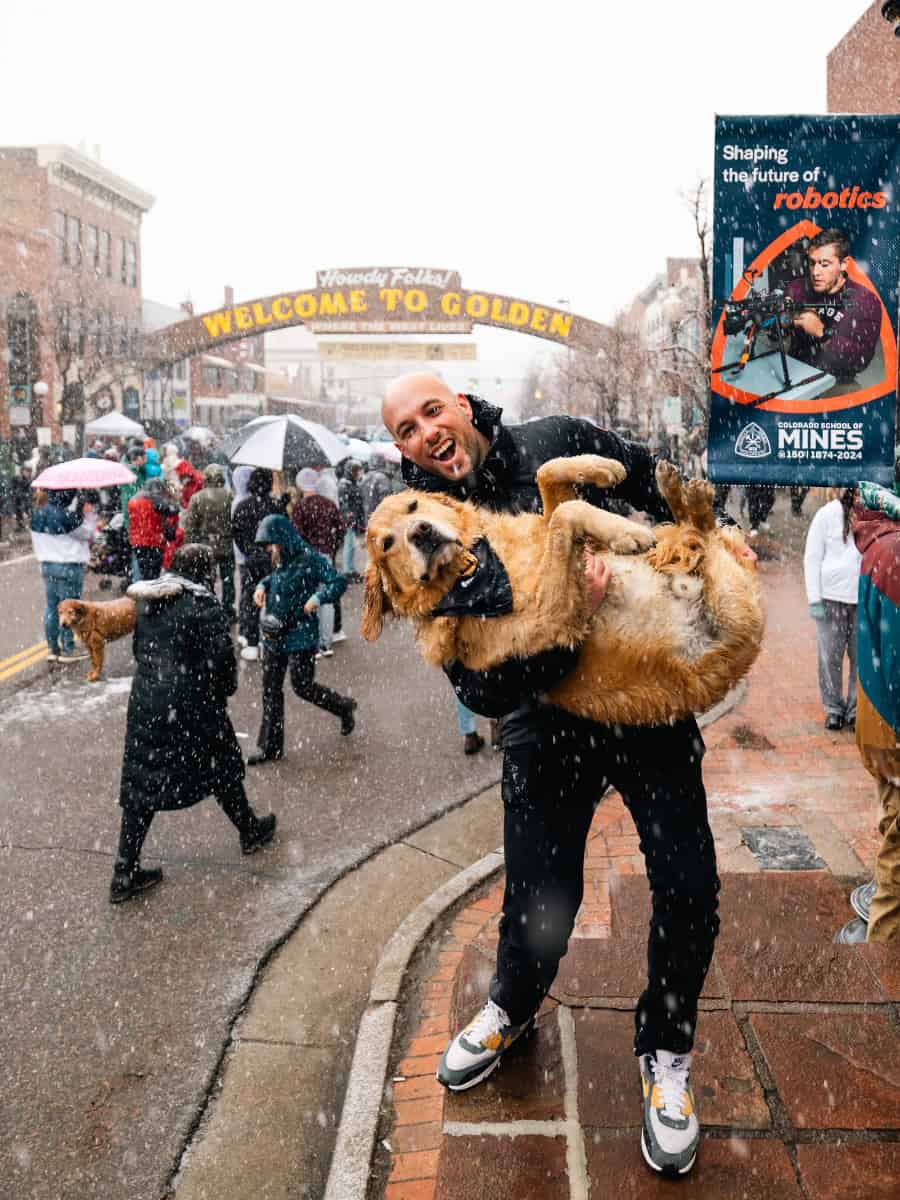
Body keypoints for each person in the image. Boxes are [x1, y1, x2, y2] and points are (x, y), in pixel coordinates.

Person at [381, 372, 717, 1178]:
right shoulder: (424, 532)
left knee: (689, 881)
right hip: (545, 718)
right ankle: (512, 1004)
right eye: (404, 430)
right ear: (402, 451)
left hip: (643, 689)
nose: (425, 433)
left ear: (460, 406)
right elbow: (478, 687)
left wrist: (695, 548)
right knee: (539, 897)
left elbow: (644, 473)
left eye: (432, 411)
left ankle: (666, 1048)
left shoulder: (556, 437)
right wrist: (564, 621)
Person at [112, 543, 276, 904]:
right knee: (221, 767)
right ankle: (249, 830)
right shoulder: (204, 605)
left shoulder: (149, 602)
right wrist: (221, 692)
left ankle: (124, 871)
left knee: (143, 782)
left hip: (147, 702)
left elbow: (140, 651)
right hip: (193, 702)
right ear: (207, 574)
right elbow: (222, 662)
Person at [834, 480, 900, 944]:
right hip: (892, 722)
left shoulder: (880, 544)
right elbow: (896, 658)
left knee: (893, 823)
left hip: (878, 721)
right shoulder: (895, 551)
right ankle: (883, 953)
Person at [246, 514, 356, 766]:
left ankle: (343, 707)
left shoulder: (310, 558)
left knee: (302, 686)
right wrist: (261, 587)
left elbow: (338, 582)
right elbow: (273, 578)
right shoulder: (279, 557)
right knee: (271, 691)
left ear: (283, 539)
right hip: (275, 634)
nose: (269, 550)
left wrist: (318, 599)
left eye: (271, 544)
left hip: (301, 635)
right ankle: (270, 747)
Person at [786, 228, 881, 383]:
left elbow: (861, 361)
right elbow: (775, 330)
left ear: (844, 264)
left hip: (837, 379)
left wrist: (822, 334)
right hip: (794, 371)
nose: (815, 272)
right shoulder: (796, 288)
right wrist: (783, 320)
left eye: (824, 264)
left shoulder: (865, 301)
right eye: (811, 263)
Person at [803, 488, 861, 731]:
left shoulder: (871, 516)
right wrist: (814, 598)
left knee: (862, 659)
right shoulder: (826, 515)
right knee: (829, 658)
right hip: (830, 598)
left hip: (861, 598)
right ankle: (834, 708)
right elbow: (812, 557)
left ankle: (857, 709)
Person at [31, 488, 95, 662]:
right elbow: (89, 534)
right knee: (70, 610)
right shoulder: (66, 517)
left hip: (47, 566)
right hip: (68, 566)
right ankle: (69, 648)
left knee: (52, 608)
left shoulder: (37, 514)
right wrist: (88, 515)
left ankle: (53, 648)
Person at [291, 468, 346, 657]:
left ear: (300, 484)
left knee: (309, 597)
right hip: (326, 555)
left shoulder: (300, 507)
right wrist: (332, 548)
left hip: (307, 557)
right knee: (326, 598)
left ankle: (312, 643)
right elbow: (341, 528)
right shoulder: (329, 504)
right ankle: (326, 643)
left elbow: (296, 537)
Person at [232, 467, 281, 662]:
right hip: (272, 560)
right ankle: (271, 641)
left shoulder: (243, 506)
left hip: (251, 561)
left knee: (252, 599)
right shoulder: (275, 506)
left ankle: (252, 642)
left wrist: (249, 550)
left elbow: (236, 533)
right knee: (273, 600)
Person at [183, 464, 236, 623]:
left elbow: (190, 526)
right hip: (226, 545)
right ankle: (228, 610)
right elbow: (234, 521)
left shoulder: (197, 498)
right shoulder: (229, 496)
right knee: (228, 579)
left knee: (206, 579)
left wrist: (189, 546)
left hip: (204, 547)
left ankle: (209, 609)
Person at [128, 477, 179, 582]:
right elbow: (174, 510)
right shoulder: (154, 500)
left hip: (137, 542)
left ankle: (142, 594)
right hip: (154, 543)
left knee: (143, 573)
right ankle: (149, 596)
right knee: (153, 576)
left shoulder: (133, 500)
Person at [338, 459, 366, 581]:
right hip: (349, 520)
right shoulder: (344, 485)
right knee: (348, 544)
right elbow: (344, 504)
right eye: (355, 471)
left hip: (354, 519)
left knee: (351, 545)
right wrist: (349, 517)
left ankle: (351, 568)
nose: (357, 473)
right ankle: (347, 571)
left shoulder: (352, 483)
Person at [360, 453, 392, 521]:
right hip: (380, 519)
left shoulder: (364, 477)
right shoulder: (382, 478)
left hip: (367, 518)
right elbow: (386, 501)